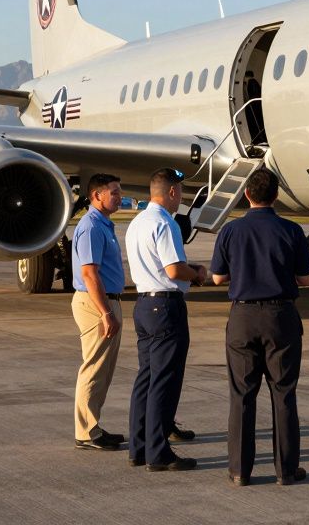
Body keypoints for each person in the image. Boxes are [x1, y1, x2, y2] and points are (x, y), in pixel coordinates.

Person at [208, 168, 309, 486]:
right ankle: (286, 470)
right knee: (283, 394)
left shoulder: (230, 231)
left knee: (242, 395)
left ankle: (240, 470)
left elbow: (217, 277)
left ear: (246, 194)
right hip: (280, 316)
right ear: (276, 196)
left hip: (242, 317)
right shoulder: (292, 230)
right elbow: (307, 279)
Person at [125, 167, 209, 471]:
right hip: (165, 305)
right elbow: (174, 270)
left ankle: (139, 447)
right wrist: (197, 274)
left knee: (145, 377)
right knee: (164, 380)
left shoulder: (137, 222)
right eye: (181, 192)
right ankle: (159, 453)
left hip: (144, 305)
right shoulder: (165, 223)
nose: (181, 198)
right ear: (172, 192)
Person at [71, 173, 127, 452]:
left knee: (103, 369)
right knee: (93, 367)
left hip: (107, 301)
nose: (119, 197)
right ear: (97, 196)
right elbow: (89, 274)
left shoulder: (104, 224)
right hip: (96, 303)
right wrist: (105, 312)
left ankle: (93, 424)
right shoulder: (92, 226)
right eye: (114, 192)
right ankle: (86, 431)